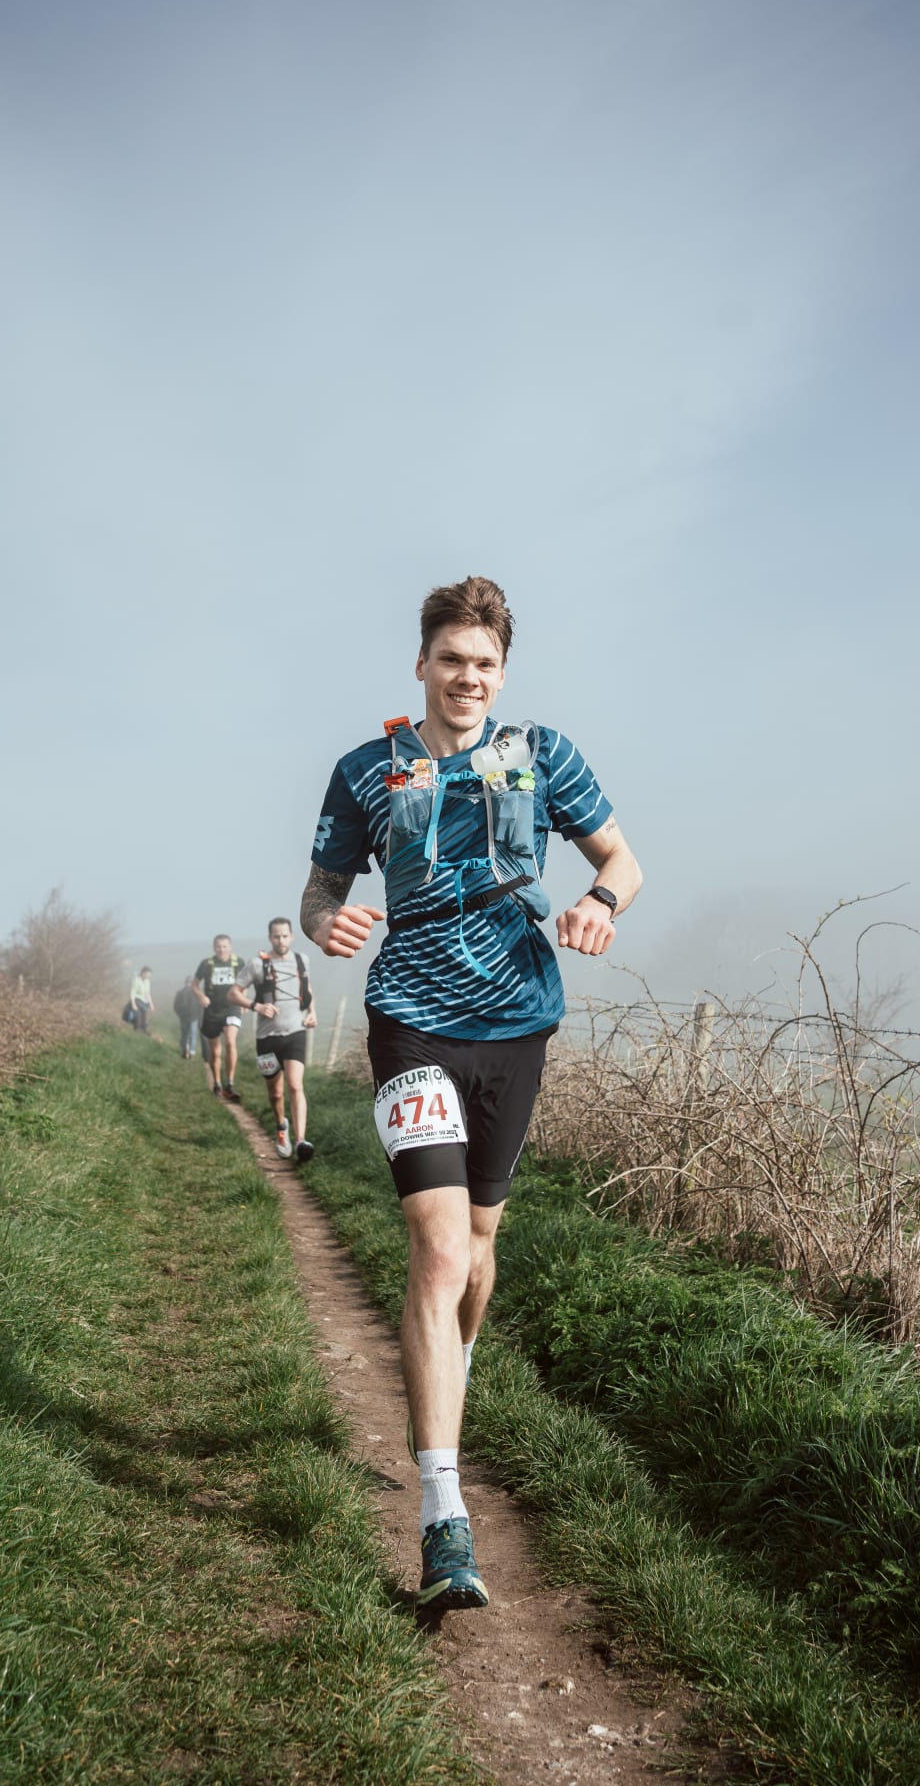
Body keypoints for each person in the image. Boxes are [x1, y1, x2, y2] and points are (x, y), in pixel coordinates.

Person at [299, 575, 641, 1614]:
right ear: (421, 665)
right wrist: (323, 923)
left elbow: (623, 860)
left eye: (484, 663)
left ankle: (455, 1353)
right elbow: (321, 889)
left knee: (481, 1244)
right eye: (450, 658)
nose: (466, 677)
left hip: (518, 1024)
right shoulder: (367, 770)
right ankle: (443, 1515)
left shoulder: (543, 755)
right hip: (409, 1019)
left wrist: (599, 903)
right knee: (441, 1249)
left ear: (502, 674)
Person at [229, 918, 318, 1161]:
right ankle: (281, 1126)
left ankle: (300, 1141)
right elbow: (233, 994)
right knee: (276, 1093)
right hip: (266, 1037)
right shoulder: (257, 964)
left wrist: (312, 1012)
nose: (281, 940)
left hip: (296, 1032)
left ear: (292, 936)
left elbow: (307, 990)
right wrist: (257, 1006)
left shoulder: (301, 960)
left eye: (285, 936)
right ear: (270, 938)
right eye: (276, 936)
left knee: (295, 1085)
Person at [191, 934, 243, 1100]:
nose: (221, 950)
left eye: (224, 946)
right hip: (212, 1010)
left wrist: (243, 1000)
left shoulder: (238, 962)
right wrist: (201, 996)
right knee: (215, 1050)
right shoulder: (206, 964)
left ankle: (230, 1083)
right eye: (218, 947)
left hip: (232, 1008)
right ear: (214, 948)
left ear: (230, 947)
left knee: (230, 1041)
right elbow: (194, 984)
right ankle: (217, 1083)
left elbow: (245, 982)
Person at [173, 975, 200, 1059]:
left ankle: (184, 1049)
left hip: (183, 1016)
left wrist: (179, 1014)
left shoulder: (180, 992)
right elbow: (200, 1005)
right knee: (193, 1034)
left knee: (184, 1033)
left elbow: (175, 1006)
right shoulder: (197, 992)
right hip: (193, 1016)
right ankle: (191, 1051)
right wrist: (198, 1015)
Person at [130, 966, 154, 1034]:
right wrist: (133, 1004)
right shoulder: (136, 980)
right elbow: (132, 993)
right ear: (143, 973)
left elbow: (147, 993)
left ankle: (144, 1030)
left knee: (144, 1016)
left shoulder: (147, 981)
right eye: (147, 974)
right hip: (137, 1000)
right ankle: (137, 1030)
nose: (148, 976)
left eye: (149, 975)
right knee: (138, 1016)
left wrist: (151, 1004)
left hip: (144, 1001)